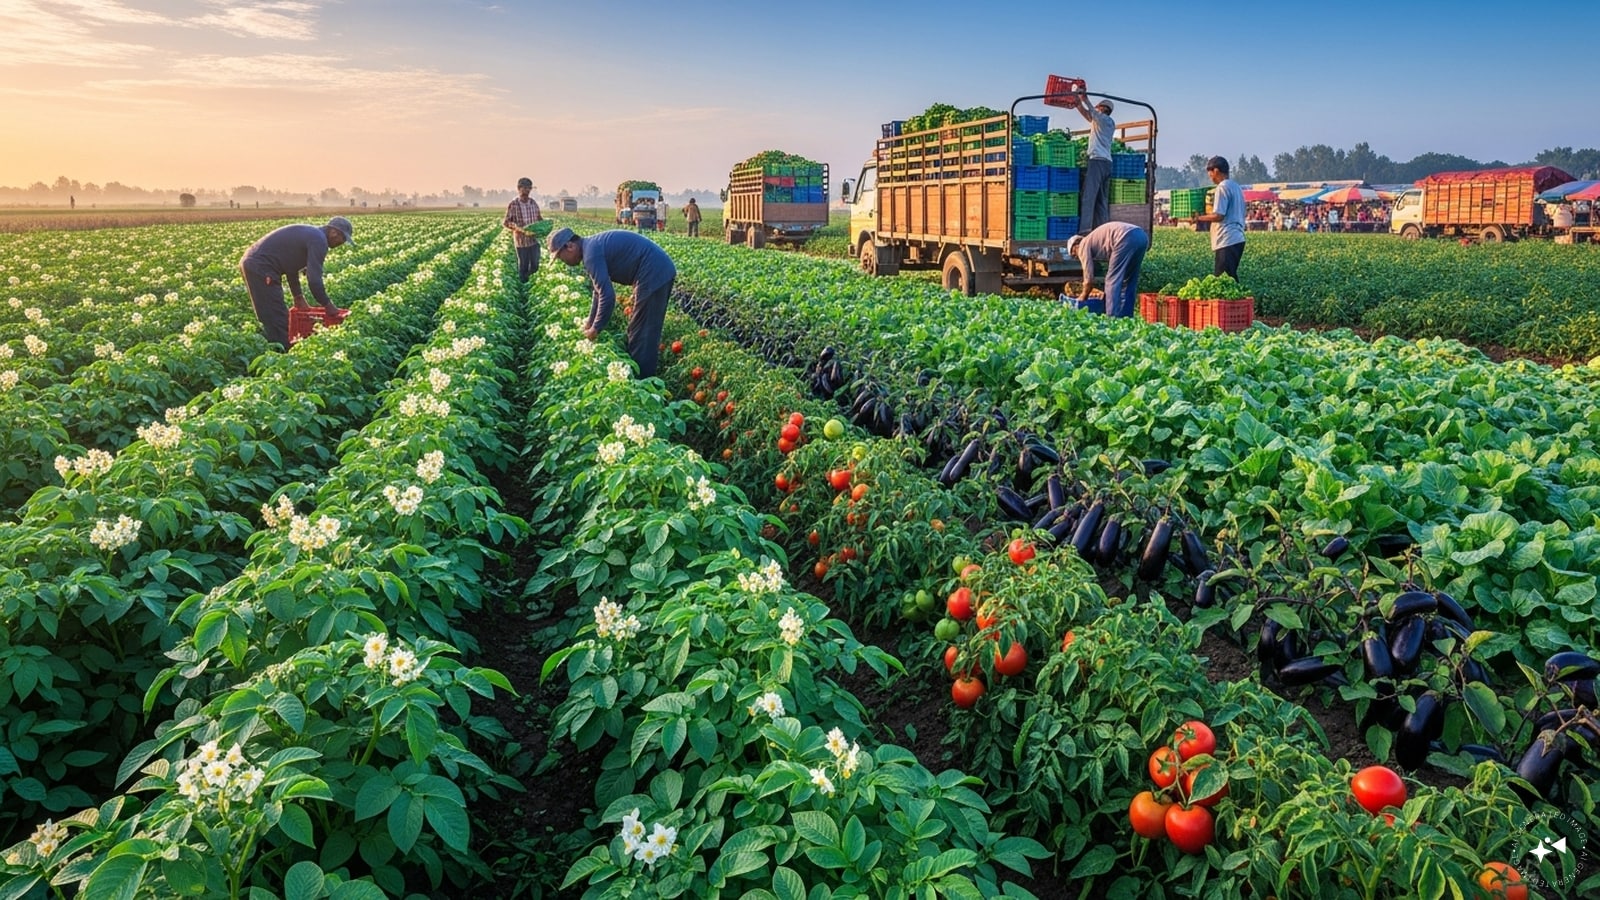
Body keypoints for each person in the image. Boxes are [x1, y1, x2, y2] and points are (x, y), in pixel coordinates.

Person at [547, 227, 677, 378]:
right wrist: (590, 322)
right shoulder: (590, 248)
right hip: (654, 271)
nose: (564, 262)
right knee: (639, 329)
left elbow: (608, 296)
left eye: (561, 257)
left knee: (643, 333)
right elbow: (598, 292)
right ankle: (641, 376)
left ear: (570, 246)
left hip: (654, 272)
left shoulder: (591, 254)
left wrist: (595, 329)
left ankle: (644, 383)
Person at [239, 217, 355, 351]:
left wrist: (298, 296)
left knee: (273, 314)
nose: (342, 243)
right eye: (343, 239)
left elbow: (290, 267)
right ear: (334, 232)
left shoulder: (313, 235)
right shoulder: (319, 241)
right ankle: (281, 356)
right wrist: (327, 304)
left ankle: (276, 349)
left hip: (255, 263)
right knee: (276, 317)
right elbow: (314, 280)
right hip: (261, 266)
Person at [1065, 222, 1149, 318]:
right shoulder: (1095, 240)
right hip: (1141, 236)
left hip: (1125, 238)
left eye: (1073, 254)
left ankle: (1112, 318)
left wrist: (1083, 296)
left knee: (1112, 281)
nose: (1076, 257)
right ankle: (1127, 317)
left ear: (1076, 245)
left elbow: (1088, 280)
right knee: (1129, 280)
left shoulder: (1083, 244)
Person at [1194, 156, 1245, 281]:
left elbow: (1219, 215)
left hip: (1227, 238)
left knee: (1223, 280)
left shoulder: (1222, 187)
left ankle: (1235, 301)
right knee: (1230, 278)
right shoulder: (1236, 187)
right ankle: (1238, 300)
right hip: (1237, 238)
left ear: (1216, 171)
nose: (1210, 177)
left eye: (1210, 173)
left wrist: (1199, 218)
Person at [1073, 89, 1115, 234]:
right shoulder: (1103, 122)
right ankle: (1102, 232)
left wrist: (1085, 99)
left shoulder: (1104, 120)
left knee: (1089, 198)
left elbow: (1093, 112)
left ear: (1103, 109)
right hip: (1106, 163)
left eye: (1098, 107)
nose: (1096, 108)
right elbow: (1088, 115)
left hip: (1097, 162)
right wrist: (1079, 105)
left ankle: (1084, 232)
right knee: (1101, 201)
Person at [504, 176, 544, 282]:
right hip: (521, 242)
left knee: (535, 265)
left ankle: (531, 284)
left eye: (529, 188)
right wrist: (517, 228)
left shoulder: (533, 203)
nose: (527, 190)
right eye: (525, 188)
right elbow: (506, 222)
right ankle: (524, 284)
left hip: (534, 240)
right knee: (523, 266)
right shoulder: (514, 204)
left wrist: (544, 227)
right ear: (519, 188)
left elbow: (539, 219)